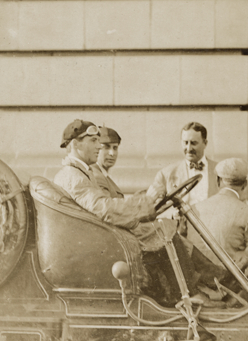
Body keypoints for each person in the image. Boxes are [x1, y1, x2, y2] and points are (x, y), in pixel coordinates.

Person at [52, 119, 224, 306]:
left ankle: (194, 290)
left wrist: (146, 205)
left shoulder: (79, 173)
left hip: (105, 238)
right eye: (93, 141)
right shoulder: (73, 176)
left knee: (163, 229)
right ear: (76, 144)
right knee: (164, 230)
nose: (98, 146)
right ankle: (188, 293)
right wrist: (146, 203)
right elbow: (105, 209)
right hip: (104, 244)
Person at [189, 158, 248, 285]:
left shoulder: (193, 210)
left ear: (218, 181)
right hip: (231, 290)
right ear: (245, 184)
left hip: (196, 287)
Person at [146, 122, 217, 215]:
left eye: (193, 143)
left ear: (205, 143)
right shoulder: (166, 174)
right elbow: (154, 209)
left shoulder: (219, 171)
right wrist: (172, 214)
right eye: (185, 143)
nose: (189, 148)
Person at [92, 126, 123, 198]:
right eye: (106, 147)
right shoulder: (96, 176)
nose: (112, 153)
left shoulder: (102, 174)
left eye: (115, 148)